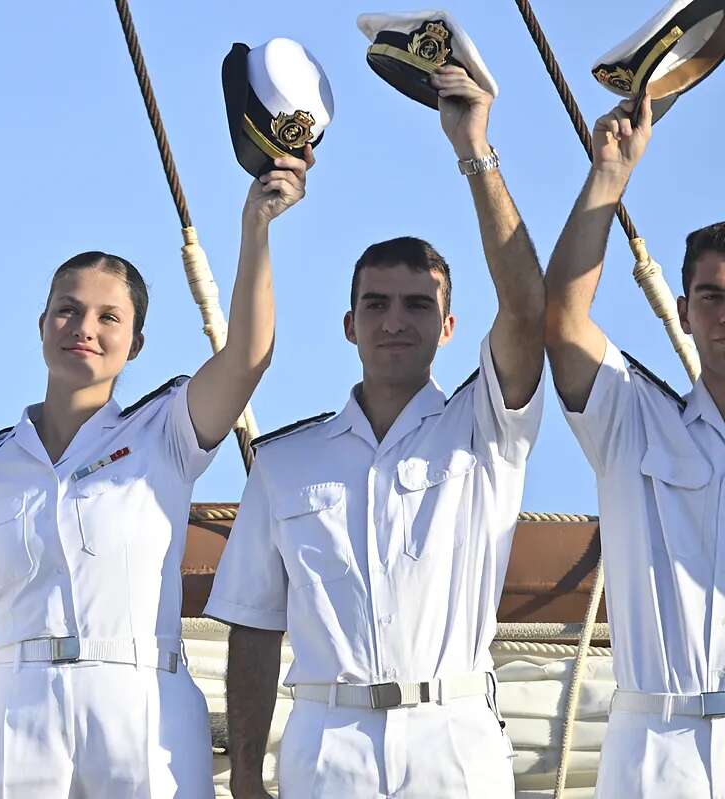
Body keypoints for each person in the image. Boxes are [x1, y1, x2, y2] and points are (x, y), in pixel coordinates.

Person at [206, 64, 545, 798]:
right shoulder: (283, 464)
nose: (396, 321)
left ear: (449, 327)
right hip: (326, 746)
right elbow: (256, 623)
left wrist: (474, 151)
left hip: (452, 740)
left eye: (419, 306)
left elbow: (526, 313)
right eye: (378, 304)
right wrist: (244, 777)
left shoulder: (488, 430)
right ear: (349, 322)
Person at [0, 145, 311, 796]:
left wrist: (255, 226)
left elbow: (248, 355)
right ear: (41, 324)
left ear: (134, 342)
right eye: (68, 309)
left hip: (143, 707)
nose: (83, 326)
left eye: (108, 316)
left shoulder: (166, 432)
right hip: (16, 713)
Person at [545, 92, 725, 798]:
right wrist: (609, 175)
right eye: (710, 295)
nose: (724, 313)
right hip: (654, 756)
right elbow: (562, 319)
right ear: (682, 311)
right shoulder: (635, 420)